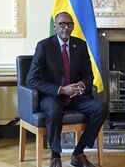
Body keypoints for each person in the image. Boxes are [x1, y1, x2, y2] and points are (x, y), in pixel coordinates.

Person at [26, 12, 107, 167]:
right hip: (52, 96)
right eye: (62, 24)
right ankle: (55, 155)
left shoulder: (80, 45)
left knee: (100, 108)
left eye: (69, 24)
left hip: (75, 96)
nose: (66, 27)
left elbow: (88, 75)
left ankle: (78, 153)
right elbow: (32, 80)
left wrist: (81, 86)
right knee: (54, 110)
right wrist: (61, 90)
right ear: (55, 26)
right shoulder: (44, 46)